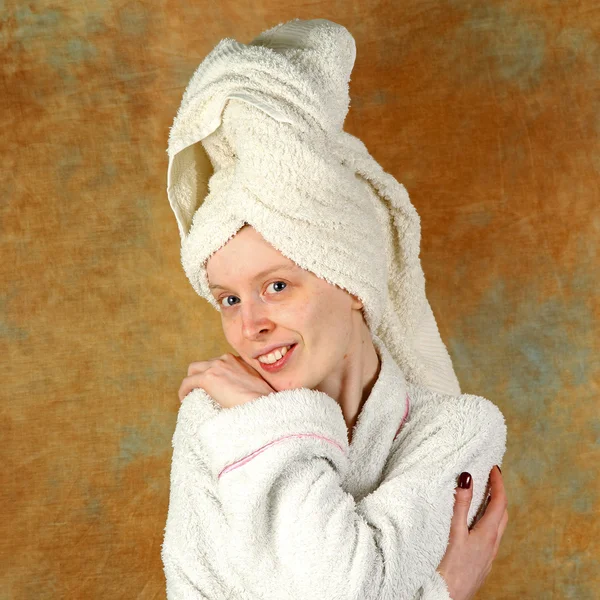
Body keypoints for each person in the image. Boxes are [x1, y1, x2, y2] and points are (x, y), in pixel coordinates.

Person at [161, 18, 508, 599]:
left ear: (350, 283)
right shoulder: (213, 420)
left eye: (276, 286)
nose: (250, 325)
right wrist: (439, 593)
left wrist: (265, 421)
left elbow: (341, 588)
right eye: (229, 299)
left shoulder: (455, 430)